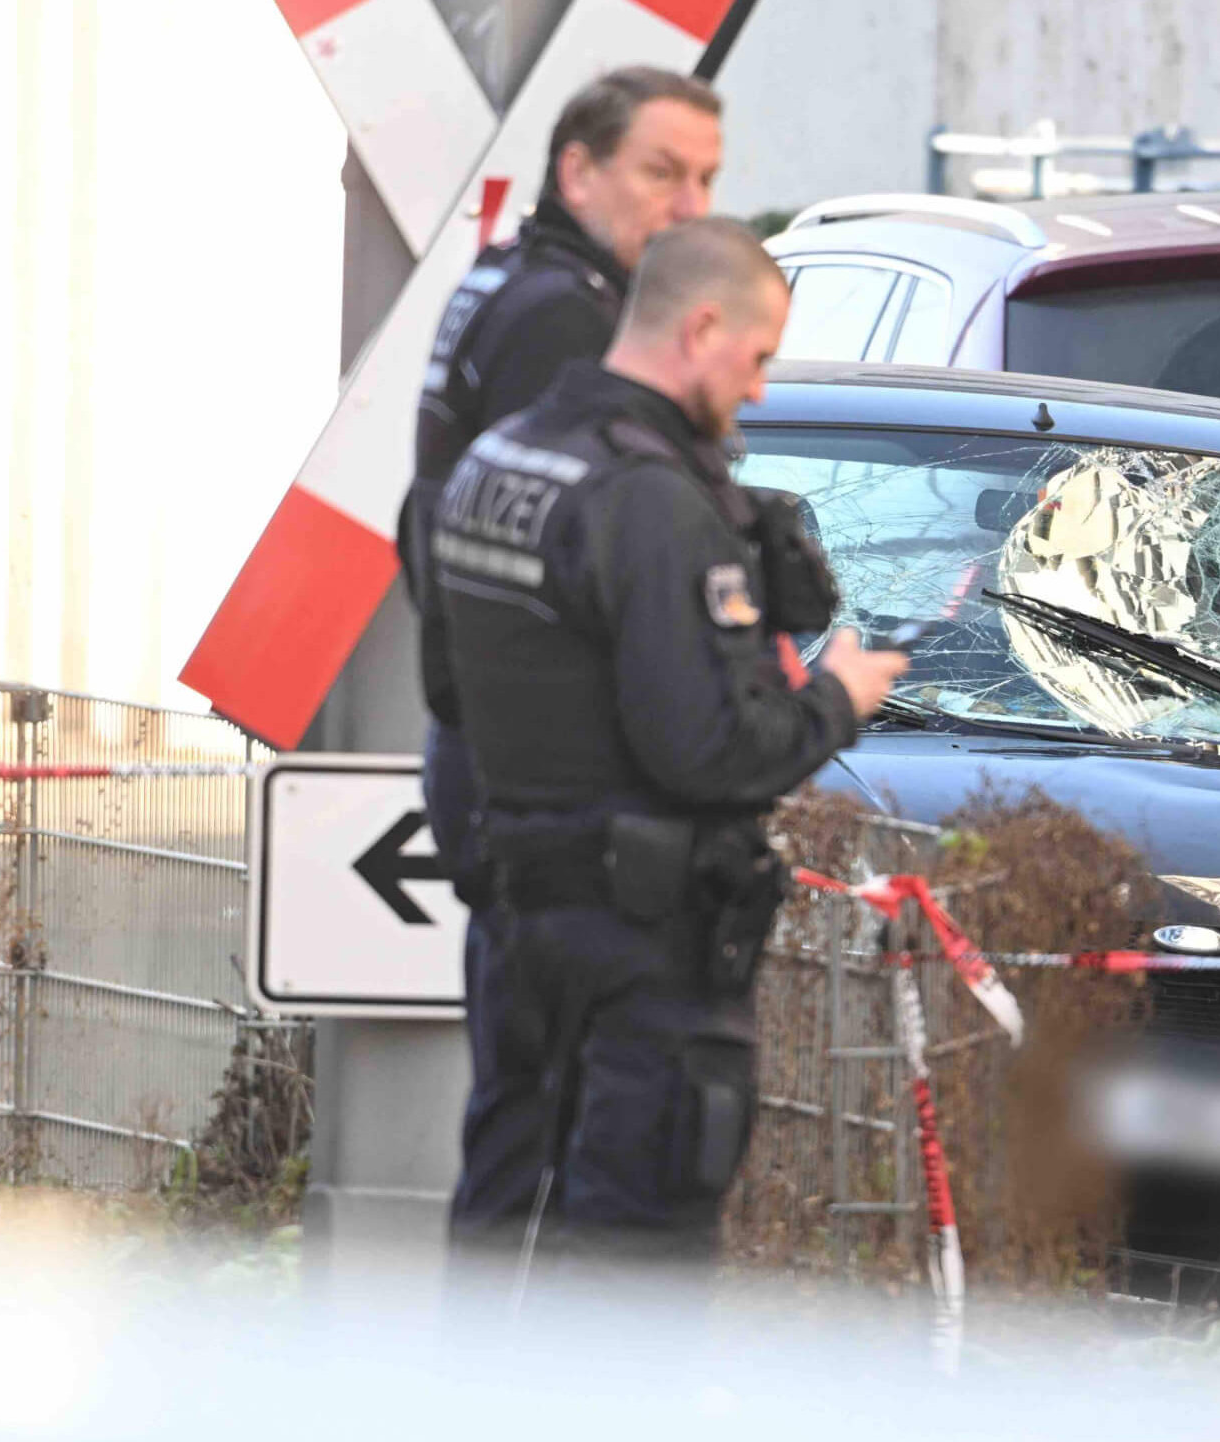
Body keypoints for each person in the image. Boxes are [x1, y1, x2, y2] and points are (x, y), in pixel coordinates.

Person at [430, 217, 909, 1269]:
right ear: (700, 328)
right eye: (758, 355)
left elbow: (450, 680)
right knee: (632, 1254)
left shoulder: (499, 457)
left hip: (520, 918)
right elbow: (708, 748)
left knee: (504, 1209)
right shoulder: (646, 500)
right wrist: (837, 696)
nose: (760, 389)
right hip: (641, 943)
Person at [393, 66, 722, 1250]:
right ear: (577, 171)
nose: (688, 206)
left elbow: (423, 528)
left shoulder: (509, 282)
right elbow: (548, 573)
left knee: (522, 1124)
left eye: (707, 180)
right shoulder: (567, 324)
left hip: (496, 765)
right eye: (659, 171)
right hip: (540, 786)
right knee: (562, 1151)